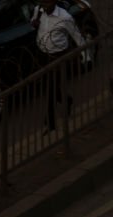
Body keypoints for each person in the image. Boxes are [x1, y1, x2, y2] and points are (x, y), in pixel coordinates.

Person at [31, 0, 86, 132]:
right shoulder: (38, 10)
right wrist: (34, 23)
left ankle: (49, 121)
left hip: (58, 56)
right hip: (43, 54)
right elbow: (33, 23)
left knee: (51, 87)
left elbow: (78, 37)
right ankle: (67, 100)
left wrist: (86, 56)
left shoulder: (65, 17)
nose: (45, 5)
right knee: (50, 86)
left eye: (48, 2)